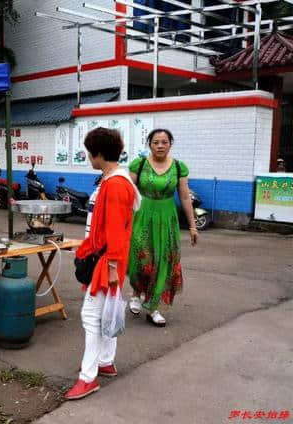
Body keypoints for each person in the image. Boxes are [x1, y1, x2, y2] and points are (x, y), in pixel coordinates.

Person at [65, 127, 140, 401]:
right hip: (107, 260)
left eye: (89, 153)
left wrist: (110, 269)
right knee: (106, 312)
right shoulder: (112, 180)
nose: (88, 158)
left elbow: (117, 233)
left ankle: (88, 377)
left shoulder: (116, 184)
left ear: (98, 154)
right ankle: (105, 361)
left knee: (91, 316)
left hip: (108, 261)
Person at [127, 128, 198, 327]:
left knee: (162, 262)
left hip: (167, 218)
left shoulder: (178, 167)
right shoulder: (138, 164)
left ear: (170, 144)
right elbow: (126, 193)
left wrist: (193, 226)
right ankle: (135, 293)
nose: (160, 146)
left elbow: (184, 197)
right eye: (156, 142)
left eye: (164, 142)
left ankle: (153, 306)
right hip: (142, 215)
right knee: (140, 258)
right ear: (149, 144)